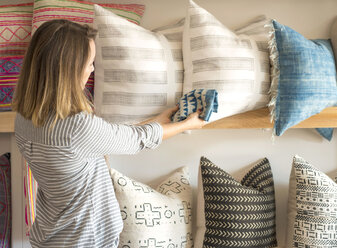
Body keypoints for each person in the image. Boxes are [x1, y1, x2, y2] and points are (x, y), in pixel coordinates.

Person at [12, 19, 206, 248]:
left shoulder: (25, 119)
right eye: (89, 63)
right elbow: (136, 141)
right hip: (86, 240)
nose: (92, 69)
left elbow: (108, 137)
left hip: (51, 236)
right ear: (68, 70)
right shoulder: (77, 127)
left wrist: (157, 121)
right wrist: (187, 125)